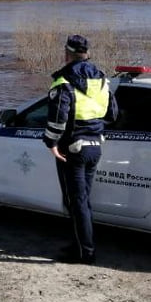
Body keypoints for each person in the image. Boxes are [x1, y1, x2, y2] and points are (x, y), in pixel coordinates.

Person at [43, 34, 116, 265]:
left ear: (67, 53)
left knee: (76, 201)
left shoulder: (63, 80)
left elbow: (58, 118)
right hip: (95, 146)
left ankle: (86, 252)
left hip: (72, 148)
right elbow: (112, 114)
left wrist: (51, 143)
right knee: (82, 200)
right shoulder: (103, 79)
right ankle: (80, 246)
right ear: (87, 53)